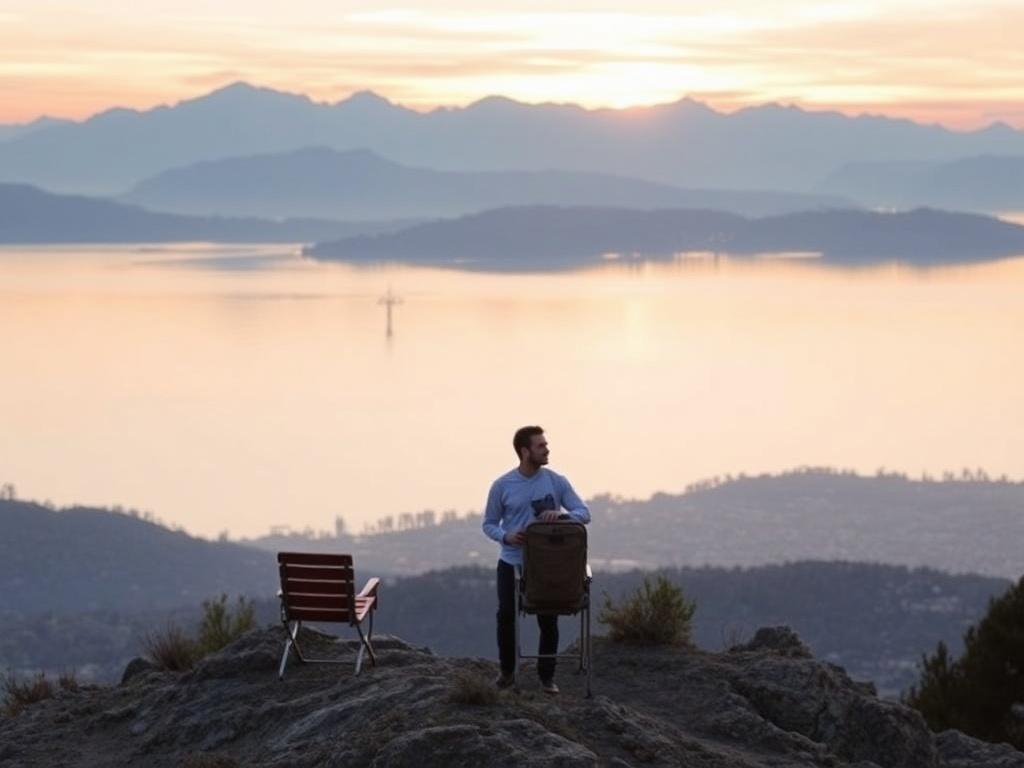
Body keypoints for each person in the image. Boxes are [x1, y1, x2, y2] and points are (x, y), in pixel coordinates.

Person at [482, 425, 591, 694]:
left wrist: (562, 516)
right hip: (512, 561)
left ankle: (546, 678)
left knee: (548, 619)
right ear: (524, 451)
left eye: (545, 444)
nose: (547, 449)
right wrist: (506, 537)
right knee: (506, 616)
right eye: (540, 446)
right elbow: (489, 524)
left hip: (548, 565)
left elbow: (584, 512)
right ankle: (507, 673)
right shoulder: (502, 485)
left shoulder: (556, 481)